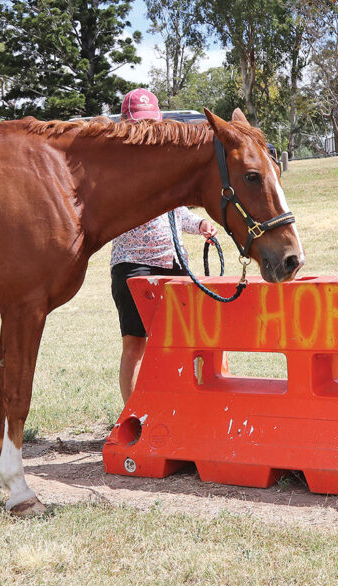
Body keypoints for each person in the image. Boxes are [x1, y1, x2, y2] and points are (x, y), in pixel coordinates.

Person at [110, 88, 218, 404]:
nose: (145, 129)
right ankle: (134, 414)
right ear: (125, 124)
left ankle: (179, 406)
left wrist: (198, 224)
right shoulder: (116, 167)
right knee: (135, 342)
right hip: (134, 263)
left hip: (173, 260)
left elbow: (175, 210)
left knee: (184, 339)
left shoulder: (167, 162)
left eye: (150, 122)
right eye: (138, 123)